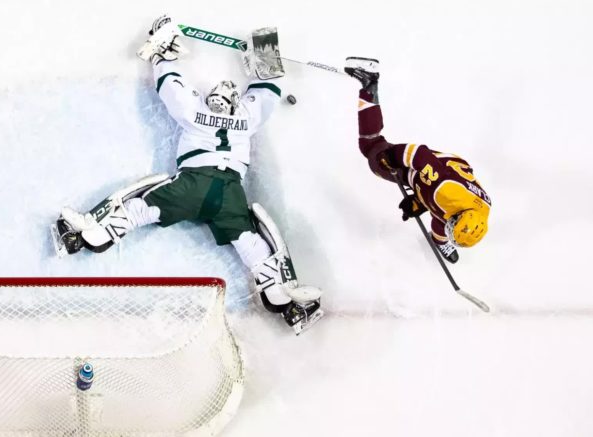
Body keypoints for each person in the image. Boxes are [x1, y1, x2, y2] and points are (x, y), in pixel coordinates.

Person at [51, 16, 323, 334]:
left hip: (195, 184)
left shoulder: (197, 112)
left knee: (143, 208)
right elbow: (266, 91)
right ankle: (281, 296)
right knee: (247, 241)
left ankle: (92, 236)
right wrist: (264, 52)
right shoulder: (246, 118)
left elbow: (172, 88)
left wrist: (163, 56)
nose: (220, 95)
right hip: (228, 192)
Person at [344, 57, 491, 263]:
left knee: (442, 216)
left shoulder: (479, 212)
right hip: (436, 173)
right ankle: (369, 83)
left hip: (450, 173)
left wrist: (422, 203)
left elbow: (443, 216)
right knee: (371, 148)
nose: (450, 226)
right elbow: (419, 154)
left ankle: (439, 241)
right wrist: (391, 157)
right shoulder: (445, 189)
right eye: (452, 226)